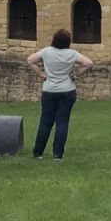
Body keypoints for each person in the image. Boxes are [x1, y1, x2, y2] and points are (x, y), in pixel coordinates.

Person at [28, 29, 92, 160]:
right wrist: (76, 75)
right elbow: (88, 63)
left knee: (45, 122)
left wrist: (40, 74)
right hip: (67, 90)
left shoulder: (46, 51)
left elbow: (30, 60)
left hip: (49, 90)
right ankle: (58, 154)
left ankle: (38, 152)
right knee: (62, 122)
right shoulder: (72, 54)